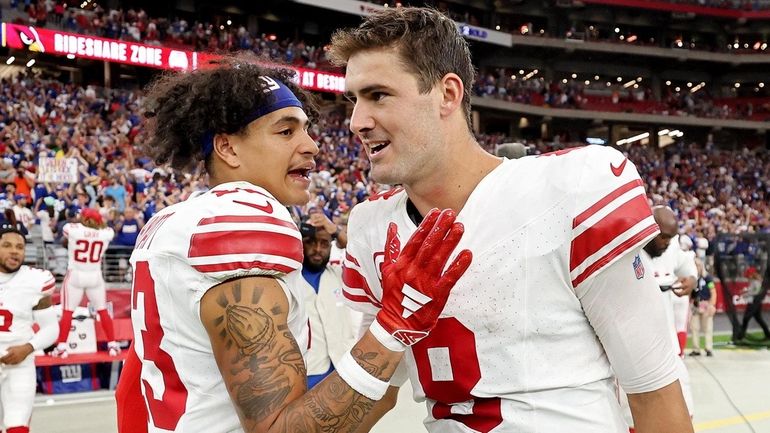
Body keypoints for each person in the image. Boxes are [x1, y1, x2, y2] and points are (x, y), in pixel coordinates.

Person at [330, 7, 693, 433]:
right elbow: (366, 400)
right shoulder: (374, 229)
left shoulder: (571, 191)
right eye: (353, 99)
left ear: (447, 94)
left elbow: (653, 389)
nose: (356, 122)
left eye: (378, 95)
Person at [115, 56, 471, 433]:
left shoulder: (169, 221)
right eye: (286, 132)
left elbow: (129, 391)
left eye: (305, 129)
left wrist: (387, 355)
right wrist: (393, 325)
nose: (312, 146)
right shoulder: (245, 219)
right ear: (228, 148)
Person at [0, 225, 58, 433]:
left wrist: (27, 347)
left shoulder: (35, 281)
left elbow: (51, 328)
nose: (14, 251)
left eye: (19, 247)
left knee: (17, 426)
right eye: (7, 245)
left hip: (19, 364)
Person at [52, 207, 118, 357]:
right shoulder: (105, 233)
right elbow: (108, 229)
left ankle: (62, 346)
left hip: (75, 274)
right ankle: (113, 345)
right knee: (102, 310)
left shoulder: (73, 229)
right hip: (95, 275)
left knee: (67, 311)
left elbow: (66, 229)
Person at [690, 258, 716, 357]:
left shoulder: (707, 278)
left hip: (706, 305)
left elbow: (713, 292)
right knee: (694, 328)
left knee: (708, 327)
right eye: (695, 265)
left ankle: (708, 348)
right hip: (695, 305)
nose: (697, 267)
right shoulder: (692, 278)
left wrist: (711, 305)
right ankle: (696, 349)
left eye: (698, 265)